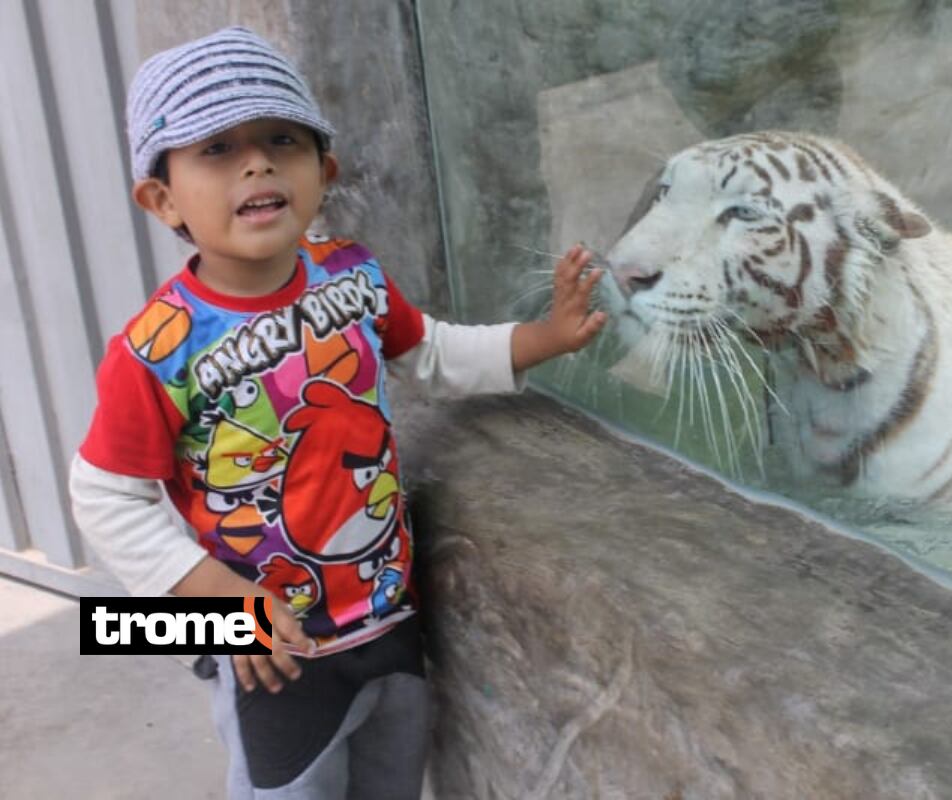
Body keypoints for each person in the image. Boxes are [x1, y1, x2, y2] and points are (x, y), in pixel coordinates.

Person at [68, 26, 605, 799]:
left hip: (388, 620)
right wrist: (214, 595)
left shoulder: (351, 276)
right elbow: (103, 494)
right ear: (160, 198)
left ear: (324, 170)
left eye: (280, 139)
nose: (256, 161)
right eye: (217, 148)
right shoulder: (155, 351)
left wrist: (543, 339)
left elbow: (435, 353)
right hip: (270, 654)